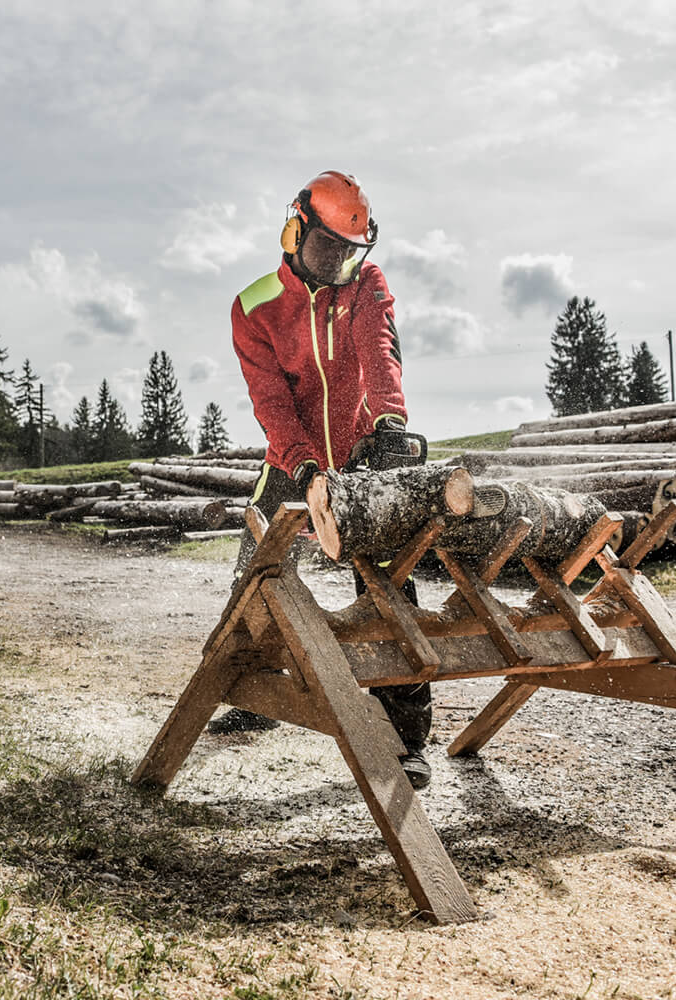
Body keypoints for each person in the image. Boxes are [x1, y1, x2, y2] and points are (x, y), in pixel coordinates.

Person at [207, 170, 433, 789]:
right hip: (290, 460)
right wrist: (304, 466)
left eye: (347, 251)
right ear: (295, 230)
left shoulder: (365, 284)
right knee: (257, 575)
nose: (336, 262)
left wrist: (390, 423)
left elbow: (378, 350)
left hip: (363, 451)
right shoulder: (253, 306)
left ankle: (406, 739)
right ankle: (246, 695)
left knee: (390, 584)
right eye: (325, 247)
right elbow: (270, 402)